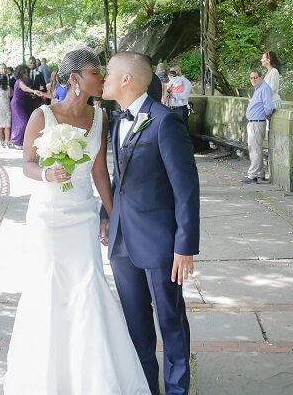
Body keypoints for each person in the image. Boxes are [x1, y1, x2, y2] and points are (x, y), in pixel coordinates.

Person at [4, 48, 150, 394]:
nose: (102, 78)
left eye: (103, 72)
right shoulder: (43, 115)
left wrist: (115, 217)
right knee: (50, 289)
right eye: (95, 73)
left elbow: (100, 171)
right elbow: (26, 164)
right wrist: (46, 174)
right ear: (74, 79)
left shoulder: (100, 118)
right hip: (48, 216)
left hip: (83, 214)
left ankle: (94, 378)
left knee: (87, 285)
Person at [101, 51, 200, 395]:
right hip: (121, 240)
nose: (104, 76)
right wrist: (106, 217)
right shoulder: (116, 120)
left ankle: (177, 390)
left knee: (171, 321)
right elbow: (119, 177)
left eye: (109, 71)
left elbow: (186, 188)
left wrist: (185, 246)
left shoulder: (164, 121)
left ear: (127, 79)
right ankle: (146, 388)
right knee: (136, 325)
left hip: (160, 242)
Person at [242, 69, 274, 184]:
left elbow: (269, 106)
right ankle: (259, 174)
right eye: (251, 78)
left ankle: (253, 175)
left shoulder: (264, 88)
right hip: (253, 122)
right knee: (254, 148)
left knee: (255, 149)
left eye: (255, 77)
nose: (253, 80)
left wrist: (266, 114)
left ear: (261, 77)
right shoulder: (259, 89)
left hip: (257, 122)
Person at [10, 65, 43, 149]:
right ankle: (16, 141)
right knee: (22, 122)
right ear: (20, 73)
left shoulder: (23, 81)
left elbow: (24, 91)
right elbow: (25, 88)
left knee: (21, 122)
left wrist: (32, 94)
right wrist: (33, 91)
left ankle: (19, 141)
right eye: (25, 72)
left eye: (27, 72)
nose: (27, 74)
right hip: (17, 104)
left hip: (22, 103)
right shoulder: (19, 81)